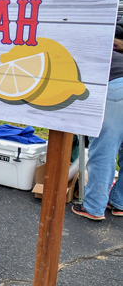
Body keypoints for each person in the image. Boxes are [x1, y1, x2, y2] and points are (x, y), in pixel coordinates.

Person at [72, 34, 123, 220]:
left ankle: (94, 206)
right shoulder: (115, 55)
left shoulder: (88, 56)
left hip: (116, 89)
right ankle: (119, 203)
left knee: (104, 151)